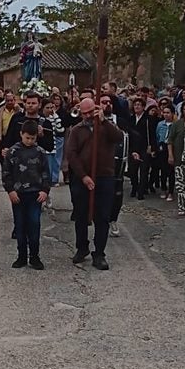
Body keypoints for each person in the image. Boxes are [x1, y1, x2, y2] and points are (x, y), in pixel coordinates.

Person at [65, 97, 124, 270]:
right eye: (84, 113)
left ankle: (99, 253)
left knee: (102, 217)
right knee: (81, 215)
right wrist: (83, 176)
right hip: (82, 178)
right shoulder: (76, 130)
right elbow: (72, 154)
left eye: (91, 112)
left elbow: (118, 137)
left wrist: (104, 121)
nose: (88, 116)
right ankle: (82, 247)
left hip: (104, 177)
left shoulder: (106, 127)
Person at [3, 120, 50, 270]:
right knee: (20, 225)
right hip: (18, 195)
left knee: (34, 225)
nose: (30, 141)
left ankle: (34, 256)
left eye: (33, 138)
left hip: (35, 195)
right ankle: (21, 256)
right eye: (27, 137)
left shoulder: (40, 152)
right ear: (21, 135)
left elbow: (46, 173)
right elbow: (6, 173)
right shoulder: (13, 151)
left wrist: (45, 190)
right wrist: (10, 190)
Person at [99, 95, 129, 238]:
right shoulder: (94, 121)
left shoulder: (121, 121)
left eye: (109, 102)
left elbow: (130, 136)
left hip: (117, 163)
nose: (107, 105)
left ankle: (113, 220)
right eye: (104, 102)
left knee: (117, 194)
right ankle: (100, 219)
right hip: (100, 164)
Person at [128, 98, 156, 200]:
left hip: (144, 148)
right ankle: (134, 187)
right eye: (135, 105)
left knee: (144, 171)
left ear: (143, 107)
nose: (137, 106)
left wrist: (152, 148)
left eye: (139, 105)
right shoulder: (130, 119)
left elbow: (152, 135)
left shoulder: (149, 119)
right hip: (133, 148)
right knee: (133, 171)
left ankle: (141, 191)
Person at [43, 99, 66, 191]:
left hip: (54, 145)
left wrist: (55, 116)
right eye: (47, 108)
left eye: (51, 107)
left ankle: (54, 179)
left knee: (54, 163)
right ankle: (48, 181)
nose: (49, 110)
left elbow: (60, 130)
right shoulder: (42, 119)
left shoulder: (53, 118)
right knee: (47, 165)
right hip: (46, 147)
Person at [156, 106, 175, 201]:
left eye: (168, 112)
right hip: (162, 147)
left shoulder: (175, 125)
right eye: (164, 112)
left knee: (172, 171)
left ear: (172, 114)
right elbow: (157, 136)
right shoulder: (160, 124)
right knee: (163, 170)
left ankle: (171, 191)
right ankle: (163, 189)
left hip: (172, 147)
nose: (166, 114)